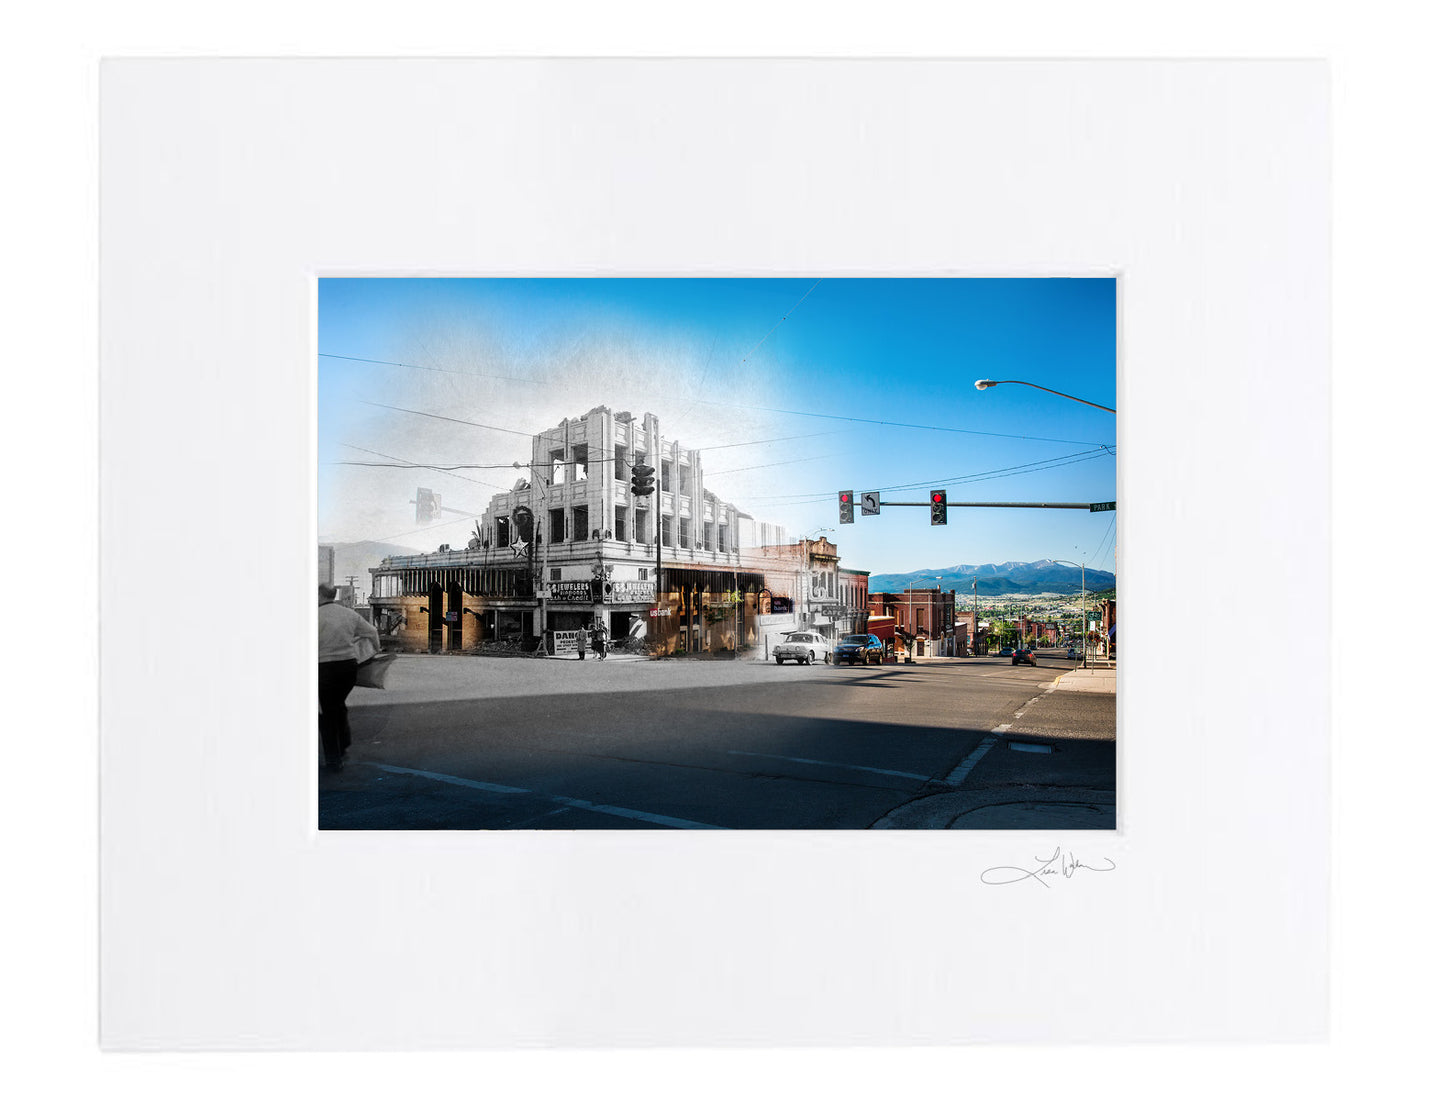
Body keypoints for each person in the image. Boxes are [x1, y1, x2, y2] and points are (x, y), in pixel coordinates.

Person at [318, 583, 380, 773]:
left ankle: (333, 760)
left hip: (324, 667)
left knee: (327, 713)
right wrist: (374, 651)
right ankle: (343, 744)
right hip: (347, 667)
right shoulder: (349, 614)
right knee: (337, 704)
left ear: (319, 595)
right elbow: (372, 632)